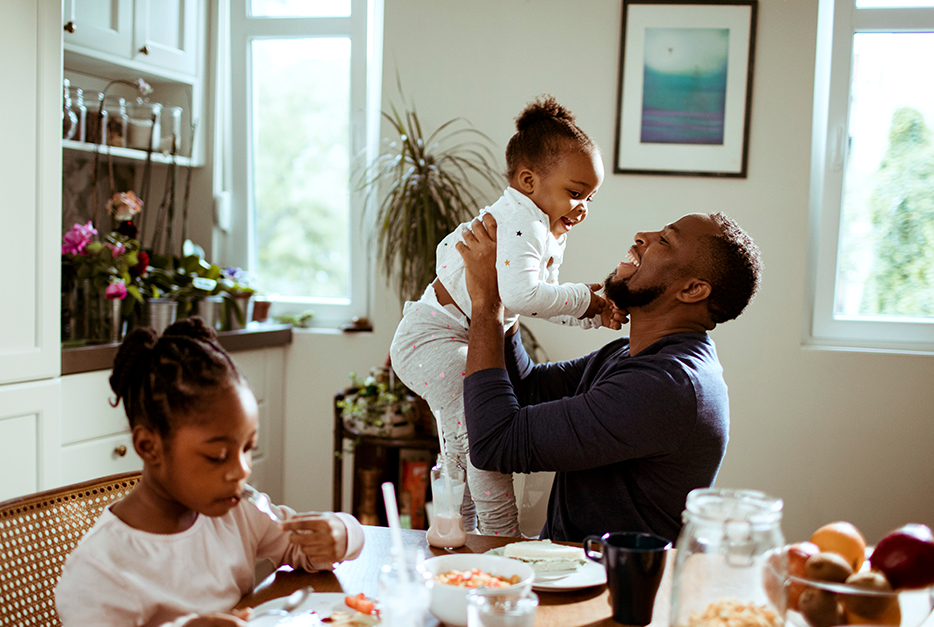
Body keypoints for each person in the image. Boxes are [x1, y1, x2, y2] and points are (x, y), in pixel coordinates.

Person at [390, 95, 623, 537]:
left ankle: (456, 532)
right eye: (575, 192)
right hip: (430, 340)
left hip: (458, 339)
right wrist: (586, 300)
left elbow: (537, 300)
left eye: (591, 197)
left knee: (462, 443)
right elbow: (522, 294)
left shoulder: (546, 226)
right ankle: (499, 534)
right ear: (528, 180)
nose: (583, 207)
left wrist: (593, 314)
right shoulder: (524, 223)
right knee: (482, 436)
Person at [456, 211, 762, 543]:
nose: (642, 234)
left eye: (665, 240)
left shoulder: (664, 385)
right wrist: (512, 295)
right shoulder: (631, 356)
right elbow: (527, 390)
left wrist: (487, 302)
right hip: (570, 571)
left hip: (614, 588)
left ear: (691, 290)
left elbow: (493, 442)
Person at [55, 318, 365, 627]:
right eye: (218, 456)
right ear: (149, 446)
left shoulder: (240, 512)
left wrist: (342, 533)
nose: (241, 470)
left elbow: (301, 547)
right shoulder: (101, 570)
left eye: (247, 448)